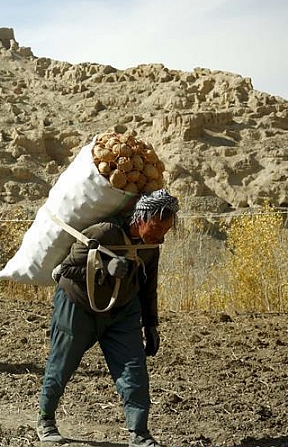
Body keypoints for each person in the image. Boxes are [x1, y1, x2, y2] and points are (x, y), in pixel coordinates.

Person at [36, 189, 180, 447]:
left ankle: (140, 434)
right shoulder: (103, 233)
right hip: (78, 306)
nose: (161, 237)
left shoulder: (150, 247)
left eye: (165, 231)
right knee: (61, 366)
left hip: (123, 311)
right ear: (141, 219)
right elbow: (66, 269)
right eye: (157, 227)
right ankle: (45, 420)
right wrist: (104, 268)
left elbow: (148, 286)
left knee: (134, 371)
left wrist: (151, 324)